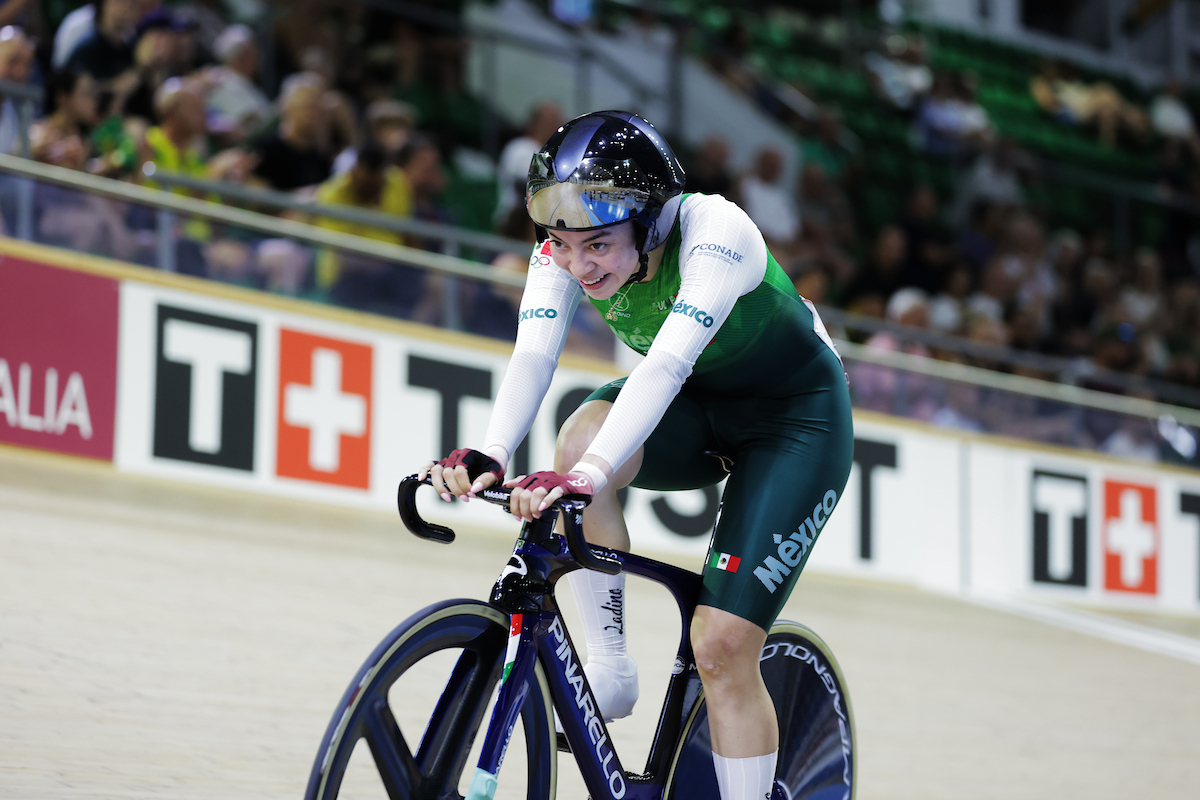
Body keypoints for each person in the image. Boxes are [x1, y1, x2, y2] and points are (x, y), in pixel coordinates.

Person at [418, 111, 854, 800]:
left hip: (793, 421)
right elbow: (534, 352)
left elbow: (667, 365)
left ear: (649, 223)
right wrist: (490, 451)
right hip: (697, 406)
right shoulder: (566, 248)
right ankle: (612, 667)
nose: (578, 264)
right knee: (579, 436)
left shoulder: (716, 233)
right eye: (561, 244)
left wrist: (584, 481)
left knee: (721, 648)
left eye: (597, 246)